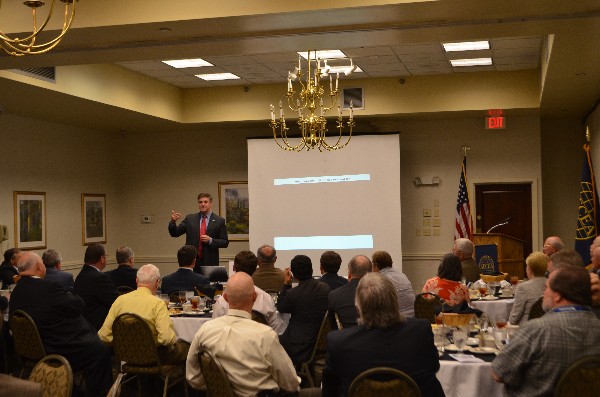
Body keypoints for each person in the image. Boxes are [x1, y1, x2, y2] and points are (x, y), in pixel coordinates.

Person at [322, 272, 444, 397]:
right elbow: (434, 366)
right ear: (395, 302)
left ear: (358, 309)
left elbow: (329, 390)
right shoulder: (420, 330)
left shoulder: (339, 342)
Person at [10, 252, 113, 397]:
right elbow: (78, 305)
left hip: (32, 349)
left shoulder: (16, 291)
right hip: (57, 346)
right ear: (40, 267)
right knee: (100, 351)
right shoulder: (48, 287)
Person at [186, 272, 300, 396]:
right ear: (254, 297)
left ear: (224, 297)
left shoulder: (205, 330)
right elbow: (291, 383)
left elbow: (192, 377)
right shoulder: (265, 335)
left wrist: (218, 389)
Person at [492, 266, 600, 396]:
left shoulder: (536, 330)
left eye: (547, 287)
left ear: (558, 295)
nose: (543, 293)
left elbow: (498, 374)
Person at [98, 264, 189, 365]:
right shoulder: (157, 304)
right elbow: (166, 339)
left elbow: (103, 336)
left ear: (136, 280)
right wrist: (149, 342)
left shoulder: (119, 300)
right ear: (157, 282)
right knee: (186, 346)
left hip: (125, 357)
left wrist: (124, 343)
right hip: (154, 359)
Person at [213, 250, 287, 334]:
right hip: (260, 344)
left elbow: (216, 329)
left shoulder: (222, 300)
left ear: (233, 267)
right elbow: (275, 330)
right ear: (255, 269)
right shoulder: (266, 298)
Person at [277, 255, 330, 366]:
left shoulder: (293, 294)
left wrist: (286, 283)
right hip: (321, 343)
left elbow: (280, 307)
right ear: (311, 270)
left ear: (293, 274)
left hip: (298, 346)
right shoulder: (326, 288)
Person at [168, 193, 229, 269]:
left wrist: (210, 240)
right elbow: (175, 233)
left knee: (208, 281)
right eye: (200, 202)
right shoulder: (190, 218)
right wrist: (173, 222)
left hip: (210, 262)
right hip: (191, 261)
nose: (203, 204)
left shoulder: (219, 221)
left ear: (210, 204)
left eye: (205, 202)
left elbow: (225, 242)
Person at [73, 243, 119, 330]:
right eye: (106, 256)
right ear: (102, 259)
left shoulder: (80, 276)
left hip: (83, 326)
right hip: (99, 328)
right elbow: (116, 302)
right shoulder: (100, 278)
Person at [327, 255, 371, 329]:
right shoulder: (380, 293)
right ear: (370, 273)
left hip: (347, 338)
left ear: (349, 274)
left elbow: (332, 326)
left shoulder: (334, 295)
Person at [508, 251, 548, 325]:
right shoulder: (552, 284)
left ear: (530, 269)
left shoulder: (523, 287)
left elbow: (513, 319)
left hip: (527, 330)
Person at [371, 250, 415, 318]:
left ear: (376, 266)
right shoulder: (402, 275)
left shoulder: (380, 280)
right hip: (413, 317)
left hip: (397, 320)